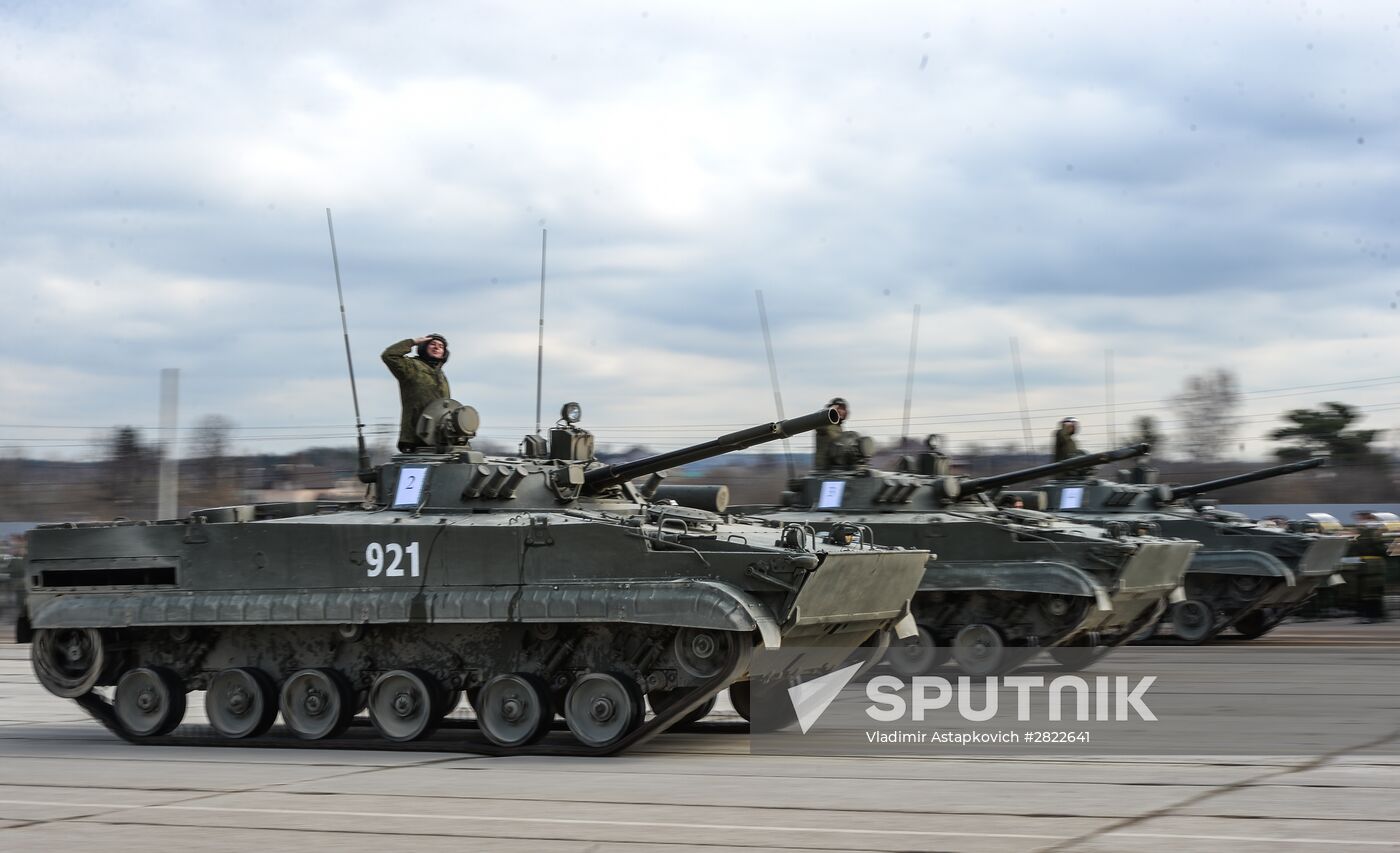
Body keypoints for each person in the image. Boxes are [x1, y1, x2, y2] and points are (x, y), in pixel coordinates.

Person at [382, 334, 451, 452]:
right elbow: (389, 355)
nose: (436, 348)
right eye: (432, 344)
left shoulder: (440, 375)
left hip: (439, 437)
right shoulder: (411, 367)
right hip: (414, 437)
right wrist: (413, 342)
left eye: (441, 346)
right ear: (423, 347)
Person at [813, 397, 848, 469]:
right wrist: (828, 412)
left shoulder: (838, 427)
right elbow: (817, 421)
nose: (841, 411)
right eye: (838, 408)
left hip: (837, 467)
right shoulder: (824, 423)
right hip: (824, 468)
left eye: (842, 409)